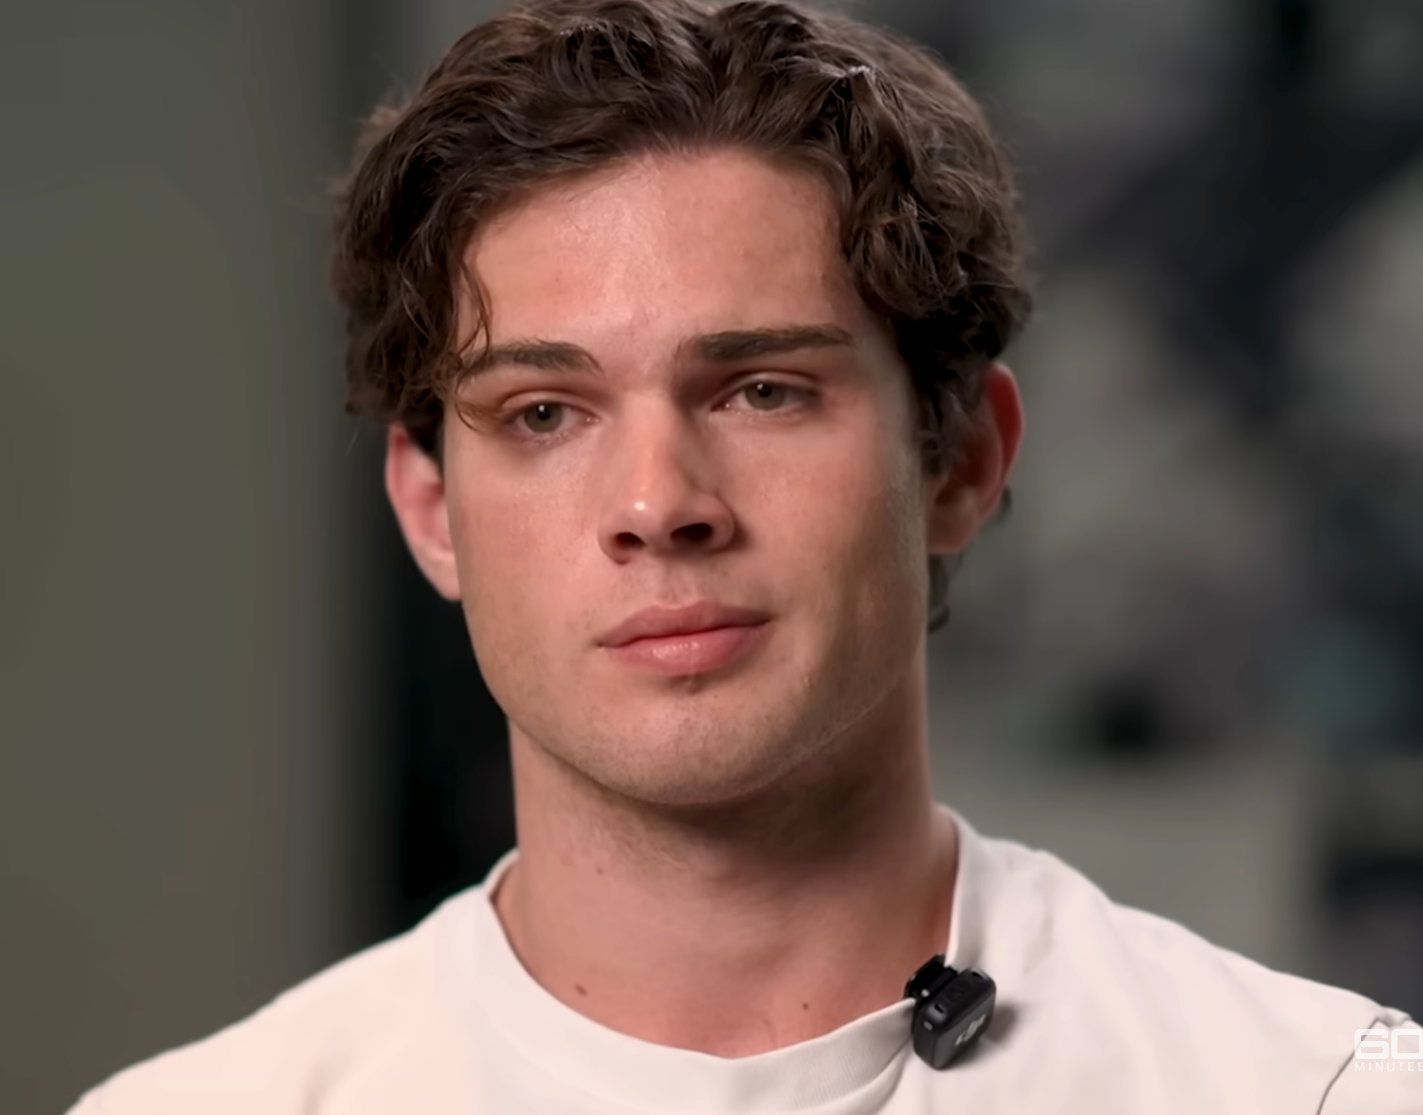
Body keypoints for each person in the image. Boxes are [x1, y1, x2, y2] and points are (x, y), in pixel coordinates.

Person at [69, 0, 1420, 1111]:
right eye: (542, 414)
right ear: (431, 511)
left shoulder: (1318, 1088)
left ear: (961, 461)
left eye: (762, 390)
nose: (657, 504)